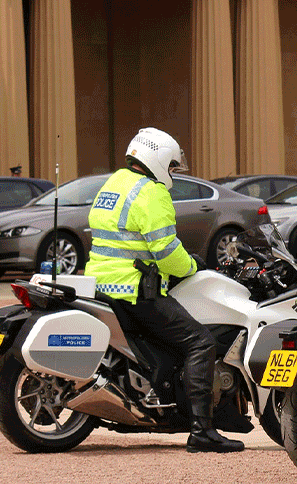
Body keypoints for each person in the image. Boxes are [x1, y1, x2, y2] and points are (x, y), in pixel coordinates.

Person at [86, 127, 243, 454]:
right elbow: (166, 250)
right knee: (200, 341)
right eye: (171, 165)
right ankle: (202, 431)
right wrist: (193, 266)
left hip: (101, 283)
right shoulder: (151, 192)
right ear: (155, 159)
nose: (171, 173)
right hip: (135, 289)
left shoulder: (114, 183)